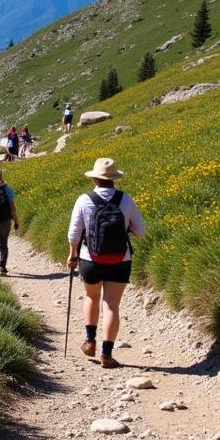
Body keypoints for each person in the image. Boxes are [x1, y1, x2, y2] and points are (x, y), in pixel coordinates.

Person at [67, 158, 146, 369]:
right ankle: (107, 354)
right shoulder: (126, 199)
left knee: (91, 296)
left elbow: (74, 233)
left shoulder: (84, 200)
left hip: (90, 259)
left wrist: (72, 254)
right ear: (114, 179)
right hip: (120, 260)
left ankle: (90, 340)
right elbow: (141, 231)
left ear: (94, 178)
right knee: (111, 305)